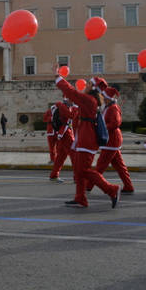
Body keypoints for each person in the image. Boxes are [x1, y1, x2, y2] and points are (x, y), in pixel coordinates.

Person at [54, 69, 121, 209]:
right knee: (79, 171)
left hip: (87, 140)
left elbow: (71, 92)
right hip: (83, 139)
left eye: (89, 83)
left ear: (93, 87)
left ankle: (111, 189)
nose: (86, 85)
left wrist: (58, 78)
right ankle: (80, 198)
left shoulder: (89, 100)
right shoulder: (90, 101)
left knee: (84, 170)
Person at [95, 87, 134, 194]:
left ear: (107, 98)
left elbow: (115, 123)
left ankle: (88, 185)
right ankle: (128, 186)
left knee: (100, 166)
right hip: (112, 140)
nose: (102, 98)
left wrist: (102, 128)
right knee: (120, 166)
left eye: (103, 97)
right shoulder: (108, 107)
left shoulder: (112, 108)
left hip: (111, 140)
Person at [49, 99, 74, 183]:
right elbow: (71, 115)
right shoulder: (63, 107)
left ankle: (54, 175)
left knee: (61, 156)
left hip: (63, 133)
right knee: (74, 155)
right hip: (65, 133)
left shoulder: (65, 106)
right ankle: (77, 177)